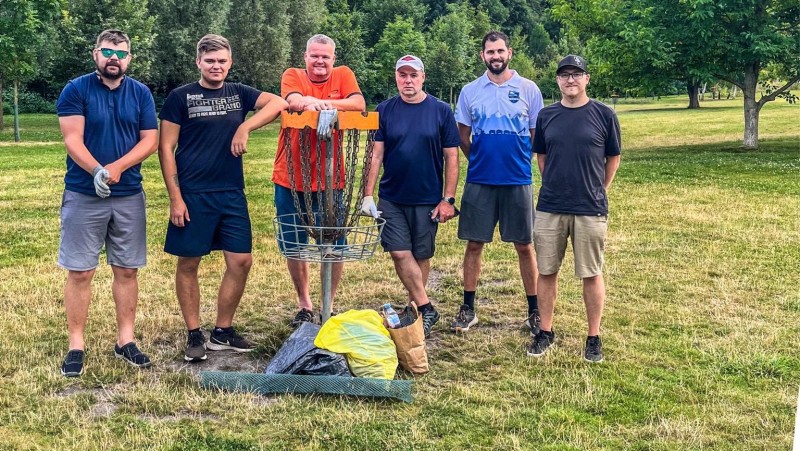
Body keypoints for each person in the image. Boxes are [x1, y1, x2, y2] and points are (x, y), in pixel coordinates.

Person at [158, 34, 288, 363]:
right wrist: (176, 197)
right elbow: (165, 147)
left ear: (229, 63)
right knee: (189, 263)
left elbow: (278, 103)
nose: (216, 66)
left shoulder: (239, 93)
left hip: (231, 193)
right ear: (199, 62)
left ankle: (222, 331)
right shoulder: (180, 97)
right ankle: (194, 334)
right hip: (193, 193)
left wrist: (245, 128)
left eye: (222, 61)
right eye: (210, 61)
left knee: (241, 261)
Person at [56, 29, 158, 377]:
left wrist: (116, 168)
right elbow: (73, 139)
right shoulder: (76, 90)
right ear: (95, 54)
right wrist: (97, 171)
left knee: (127, 269)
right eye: (107, 52)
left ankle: (125, 341)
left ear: (129, 58)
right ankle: (76, 345)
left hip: (129, 194)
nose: (114, 59)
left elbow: (150, 140)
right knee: (81, 270)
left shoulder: (141, 93)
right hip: (84, 194)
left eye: (121, 53)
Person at [527, 55, 621, 362]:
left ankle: (593, 337)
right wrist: (555, 183)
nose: (571, 80)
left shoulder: (604, 114)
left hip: (590, 207)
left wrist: (598, 189)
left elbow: (613, 158)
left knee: (591, 273)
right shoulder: (546, 116)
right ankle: (546, 332)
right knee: (547, 271)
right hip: (551, 206)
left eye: (576, 74)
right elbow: (541, 157)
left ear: (587, 79)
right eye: (565, 75)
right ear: (557, 80)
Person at [451, 31, 544, 334]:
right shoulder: (470, 91)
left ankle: (535, 310)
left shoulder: (529, 89)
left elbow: (536, 135)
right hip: (480, 179)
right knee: (474, 243)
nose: (495, 56)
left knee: (525, 246)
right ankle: (468, 307)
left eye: (500, 51)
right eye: (490, 52)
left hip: (518, 178)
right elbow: (463, 137)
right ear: (482, 56)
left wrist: (520, 158)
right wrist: (479, 159)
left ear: (510, 53)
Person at [362, 55, 460, 338]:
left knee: (421, 254)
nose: (408, 80)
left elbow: (452, 157)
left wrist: (448, 199)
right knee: (398, 251)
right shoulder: (385, 110)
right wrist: (368, 195)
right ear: (396, 78)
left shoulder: (441, 111)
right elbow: (376, 154)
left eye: (413, 75)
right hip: (392, 196)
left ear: (423, 77)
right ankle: (427, 306)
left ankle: (414, 309)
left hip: (428, 197)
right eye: (402, 75)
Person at [273, 34, 366, 327]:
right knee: (294, 243)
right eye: (314, 55)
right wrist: (322, 103)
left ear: (333, 58)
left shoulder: (344, 74)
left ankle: (329, 302)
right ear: (305, 57)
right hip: (291, 175)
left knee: (336, 241)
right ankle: (304, 303)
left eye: (325, 56)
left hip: (331, 178)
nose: (320, 61)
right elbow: (296, 102)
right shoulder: (293, 75)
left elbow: (359, 103)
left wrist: (321, 103)